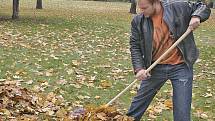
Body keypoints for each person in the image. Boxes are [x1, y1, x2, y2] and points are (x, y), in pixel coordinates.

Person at [127, 0, 211, 121]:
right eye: (140, 8)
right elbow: (134, 45)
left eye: (145, 8)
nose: (141, 11)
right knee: (135, 109)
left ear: (155, 3)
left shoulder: (177, 7)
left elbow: (202, 6)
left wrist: (197, 16)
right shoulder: (138, 21)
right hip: (155, 67)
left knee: (182, 113)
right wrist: (139, 68)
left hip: (181, 66)